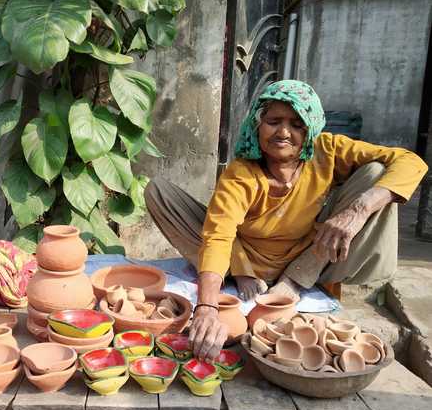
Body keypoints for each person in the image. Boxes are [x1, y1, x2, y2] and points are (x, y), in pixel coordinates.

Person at [145, 80, 428, 363]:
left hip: (308, 256)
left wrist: (359, 208)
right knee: (158, 191)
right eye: (273, 121)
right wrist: (206, 307)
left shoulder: (327, 150)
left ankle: (294, 282)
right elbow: (219, 235)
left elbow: (410, 161)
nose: (283, 132)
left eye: (296, 124)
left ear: (311, 127)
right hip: (241, 256)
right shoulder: (242, 172)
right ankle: (243, 273)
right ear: (258, 124)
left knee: (377, 175)